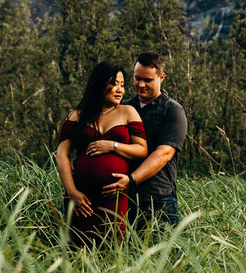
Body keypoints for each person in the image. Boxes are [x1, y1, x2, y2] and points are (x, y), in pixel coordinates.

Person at [55, 61, 147, 246]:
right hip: (81, 199)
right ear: (99, 84)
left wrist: (113, 146)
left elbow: (142, 150)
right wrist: (72, 192)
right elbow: (62, 154)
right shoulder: (76, 116)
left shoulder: (128, 112)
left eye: (122, 84)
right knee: (78, 250)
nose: (119, 89)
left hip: (114, 196)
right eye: (114, 83)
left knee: (113, 249)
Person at [103, 51, 187, 231]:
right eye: (137, 78)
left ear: (161, 77)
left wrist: (131, 180)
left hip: (159, 201)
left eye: (147, 80)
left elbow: (163, 154)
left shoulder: (173, 111)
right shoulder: (122, 107)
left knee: (162, 257)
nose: (140, 85)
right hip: (124, 199)